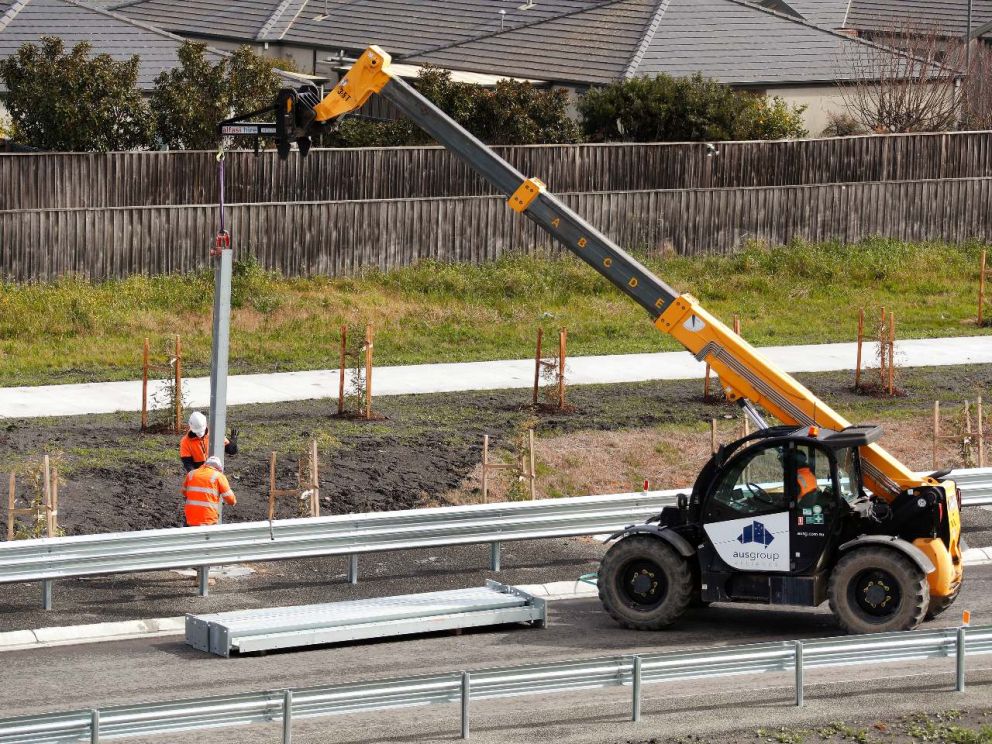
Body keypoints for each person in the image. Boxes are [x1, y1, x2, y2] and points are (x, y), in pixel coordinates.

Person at [182, 456, 236, 527]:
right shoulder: (219, 476)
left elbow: (184, 492)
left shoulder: (191, 474)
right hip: (208, 519)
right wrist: (233, 502)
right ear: (219, 469)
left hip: (190, 518)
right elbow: (230, 500)